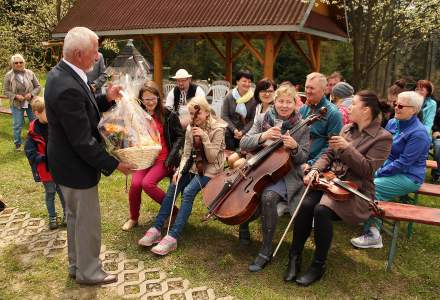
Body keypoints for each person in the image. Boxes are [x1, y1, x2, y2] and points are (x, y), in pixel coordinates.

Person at [45, 27, 134, 285]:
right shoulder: (67, 85)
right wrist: (115, 164)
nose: (98, 57)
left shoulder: (62, 74)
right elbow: (83, 141)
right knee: (87, 223)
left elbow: (84, 109)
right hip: (76, 167)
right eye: (95, 51)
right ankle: (89, 272)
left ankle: (77, 265)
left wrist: (105, 98)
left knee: (74, 218)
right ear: (78, 53)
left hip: (66, 165)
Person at [288, 91, 392, 286]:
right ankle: (295, 256)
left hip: (356, 190)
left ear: (366, 110)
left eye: (353, 104)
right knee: (306, 204)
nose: (349, 108)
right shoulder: (346, 128)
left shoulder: (383, 138)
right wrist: (314, 169)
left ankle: (318, 265)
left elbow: (368, 170)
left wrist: (347, 148)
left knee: (322, 210)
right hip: (331, 181)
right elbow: (328, 154)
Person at [138, 96, 226, 255]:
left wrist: (205, 138)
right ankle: (157, 228)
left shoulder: (218, 129)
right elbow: (186, 153)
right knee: (174, 185)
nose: (194, 117)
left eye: (198, 113)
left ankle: (172, 237)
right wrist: (179, 170)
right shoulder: (190, 128)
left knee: (188, 192)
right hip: (193, 166)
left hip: (210, 169)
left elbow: (212, 158)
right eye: (191, 113)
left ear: (206, 112)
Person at [239, 84, 310, 272]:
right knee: (246, 192)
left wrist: (295, 147)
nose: (284, 105)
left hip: (285, 174)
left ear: (295, 104)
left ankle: (265, 250)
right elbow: (243, 142)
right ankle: (243, 223)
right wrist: (263, 136)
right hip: (259, 168)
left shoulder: (302, 125)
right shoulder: (263, 118)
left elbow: (303, 157)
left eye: (289, 102)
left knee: (268, 197)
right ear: (274, 101)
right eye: (281, 101)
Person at [351, 91, 430, 249]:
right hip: (390, 169)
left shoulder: (419, 133)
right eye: (395, 104)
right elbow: (383, 150)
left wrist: (378, 172)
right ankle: (360, 215)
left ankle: (373, 234)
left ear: (413, 110)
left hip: (409, 176)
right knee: (360, 177)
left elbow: (403, 163)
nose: (396, 108)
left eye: (401, 106)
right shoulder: (393, 122)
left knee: (375, 187)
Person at [122, 81, 184, 231]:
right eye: (146, 99)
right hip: (145, 157)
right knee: (136, 184)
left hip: (164, 158)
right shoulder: (138, 115)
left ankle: (174, 211)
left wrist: (171, 157)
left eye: (153, 98)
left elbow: (180, 137)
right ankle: (133, 218)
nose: (150, 102)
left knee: (147, 183)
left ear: (158, 97)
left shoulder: (169, 115)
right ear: (141, 100)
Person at [24, 97, 66, 230]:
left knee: (62, 192)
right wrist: (44, 158)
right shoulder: (32, 133)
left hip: (59, 168)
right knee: (50, 193)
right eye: (47, 112)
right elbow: (30, 152)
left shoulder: (55, 126)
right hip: (45, 170)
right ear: (37, 113)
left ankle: (67, 215)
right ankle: (52, 217)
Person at [299, 72, 343, 170]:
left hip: (316, 165)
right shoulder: (303, 109)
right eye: (306, 87)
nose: (308, 91)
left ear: (323, 90)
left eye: (312, 88)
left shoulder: (334, 113)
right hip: (299, 159)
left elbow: (331, 146)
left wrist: (311, 164)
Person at [3, 53, 40, 151]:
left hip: (30, 103)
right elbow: (5, 91)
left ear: (24, 62)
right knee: (18, 124)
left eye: (21, 62)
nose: (19, 64)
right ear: (12, 64)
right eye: (16, 63)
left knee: (34, 122)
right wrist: (15, 96)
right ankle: (18, 144)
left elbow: (38, 87)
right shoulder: (8, 75)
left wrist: (31, 94)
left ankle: (36, 142)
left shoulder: (30, 73)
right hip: (16, 104)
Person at [221, 70, 257, 150]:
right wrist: (234, 130)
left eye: (249, 82)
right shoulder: (229, 96)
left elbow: (253, 119)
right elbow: (224, 116)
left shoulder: (254, 99)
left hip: (247, 130)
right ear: (237, 82)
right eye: (244, 81)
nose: (247, 84)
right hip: (231, 129)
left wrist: (243, 131)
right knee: (225, 133)